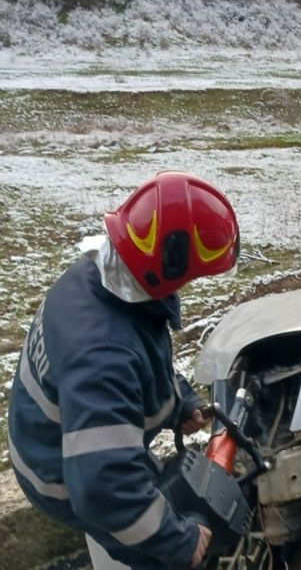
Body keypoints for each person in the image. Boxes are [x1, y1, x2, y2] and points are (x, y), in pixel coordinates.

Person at [7, 172, 241, 570]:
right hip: (65, 477)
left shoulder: (102, 279)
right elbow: (104, 488)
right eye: (192, 275)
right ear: (165, 269)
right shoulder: (101, 355)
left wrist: (179, 402)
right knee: (159, 551)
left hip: (63, 448)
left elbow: (138, 363)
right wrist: (178, 541)